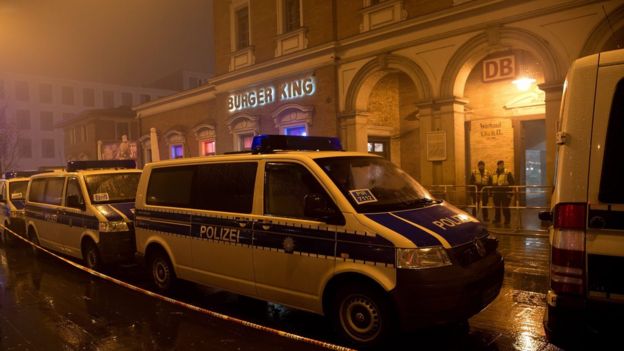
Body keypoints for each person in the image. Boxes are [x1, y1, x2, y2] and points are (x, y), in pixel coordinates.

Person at [492, 160, 515, 226]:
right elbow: (491, 183)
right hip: (496, 193)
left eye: (502, 164)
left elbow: (512, 183)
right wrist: (492, 192)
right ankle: (497, 219)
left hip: (505, 193)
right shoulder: (494, 173)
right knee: (497, 207)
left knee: (505, 207)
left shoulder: (507, 172)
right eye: (500, 164)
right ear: (498, 165)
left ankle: (507, 221)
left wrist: (510, 194)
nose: (501, 165)